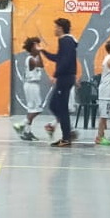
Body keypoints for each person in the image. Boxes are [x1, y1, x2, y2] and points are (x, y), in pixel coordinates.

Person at [38, 18, 79, 147]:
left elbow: (65, 61)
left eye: (56, 27)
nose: (54, 29)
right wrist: (43, 51)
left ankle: (66, 137)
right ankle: (68, 132)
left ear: (60, 28)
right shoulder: (66, 41)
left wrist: (55, 75)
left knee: (61, 108)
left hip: (65, 78)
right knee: (55, 106)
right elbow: (58, 58)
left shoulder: (66, 41)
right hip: (65, 77)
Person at [14, 37, 44, 141]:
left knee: (31, 109)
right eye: (36, 45)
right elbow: (41, 65)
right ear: (31, 48)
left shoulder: (34, 57)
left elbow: (41, 65)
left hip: (31, 85)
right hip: (31, 85)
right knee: (38, 109)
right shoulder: (30, 59)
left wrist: (38, 53)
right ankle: (21, 125)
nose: (39, 47)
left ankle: (27, 132)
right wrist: (40, 52)